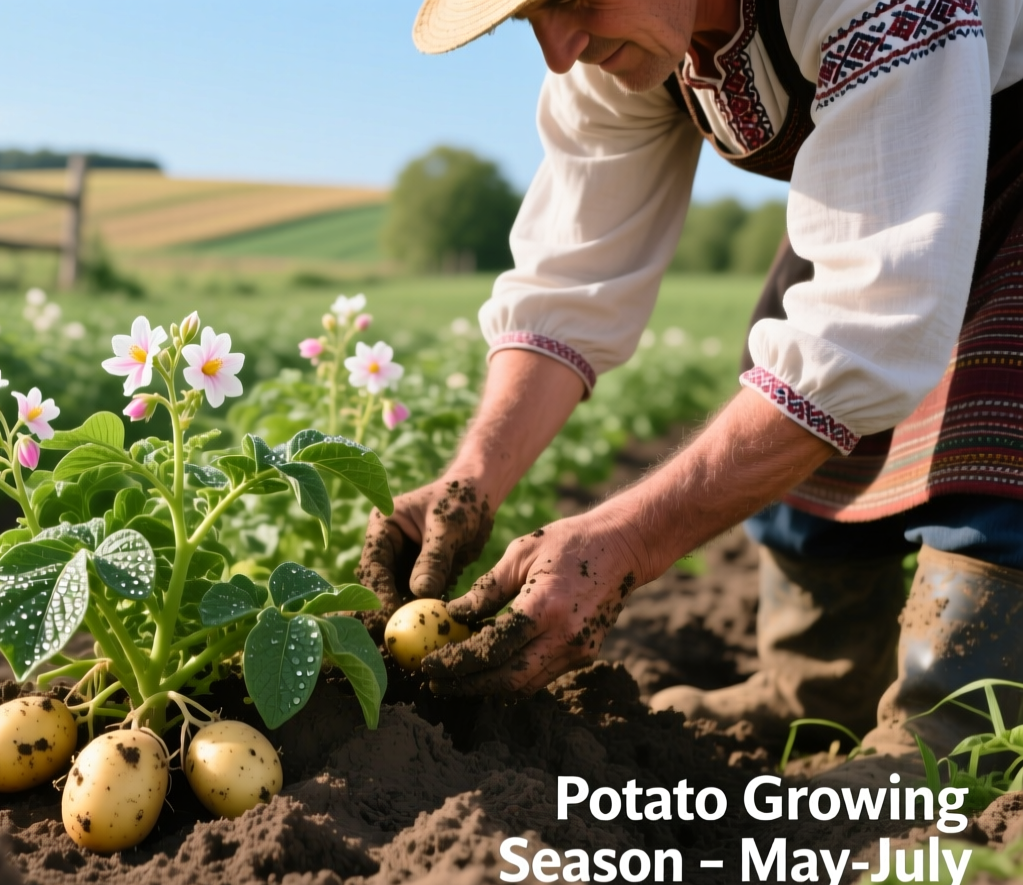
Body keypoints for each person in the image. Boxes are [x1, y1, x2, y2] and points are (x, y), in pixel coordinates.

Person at [360, 0, 1023, 761]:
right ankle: (817, 686)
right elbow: (573, 275)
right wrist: (472, 480)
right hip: (883, 161)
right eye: (528, 19)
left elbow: (871, 321)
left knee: (996, 421)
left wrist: (628, 539)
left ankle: (954, 732)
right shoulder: (618, 44)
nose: (559, 49)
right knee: (784, 371)